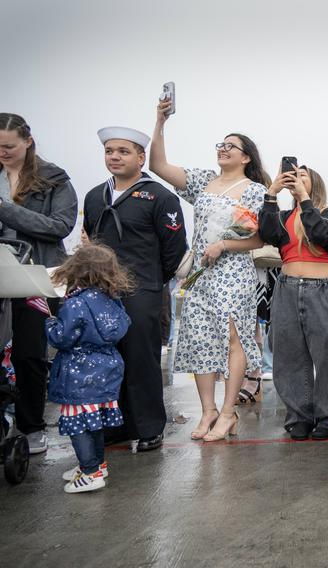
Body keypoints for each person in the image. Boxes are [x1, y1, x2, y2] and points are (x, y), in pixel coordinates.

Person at [150, 96, 267, 441]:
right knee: (200, 338)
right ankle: (208, 412)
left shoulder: (254, 190)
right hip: (200, 274)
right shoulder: (202, 181)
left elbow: (258, 238)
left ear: (246, 157)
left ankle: (228, 413)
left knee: (233, 339)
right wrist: (161, 121)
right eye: (221, 145)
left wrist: (225, 245)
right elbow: (159, 165)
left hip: (233, 272)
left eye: (231, 146)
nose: (224, 149)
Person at [83, 126, 188, 451]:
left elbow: (174, 249)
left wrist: (151, 284)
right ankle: (116, 425)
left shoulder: (161, 197)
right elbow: (90, 238)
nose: (114, 156)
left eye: (123, 151)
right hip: (101, 292)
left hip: (143, 289)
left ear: (141, 157)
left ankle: (148, 428)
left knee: (141, 359)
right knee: (106, 359)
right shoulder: (94, 196)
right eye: (109, 151)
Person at [0, 113, 78, 454]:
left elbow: (60, 226)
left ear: (28, 142)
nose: (2, 152)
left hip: (37, 275)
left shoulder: (53, 178)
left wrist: (5, 210)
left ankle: (31, 426)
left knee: (30, 354)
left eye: (9, 146)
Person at [259, 164, 328, 440]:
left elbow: (324, 235)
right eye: (292, 175)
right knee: (288, 355)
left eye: (302, 175)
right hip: (287, 288)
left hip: (322, 289)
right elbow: (268, 234)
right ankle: (299, 415)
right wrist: (271, 194)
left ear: (314, 182)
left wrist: (305, 201)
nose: (295, 179)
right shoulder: (285, 215)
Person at [46, 244, 132, 493]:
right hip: (107, 369)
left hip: (78, 372)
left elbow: (62, 338)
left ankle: (90, 472)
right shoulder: (113, 301)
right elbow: (124, 325)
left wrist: (50, 324)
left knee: (79, 425)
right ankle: (96, 464)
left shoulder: (76, 304)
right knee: (94, 422)